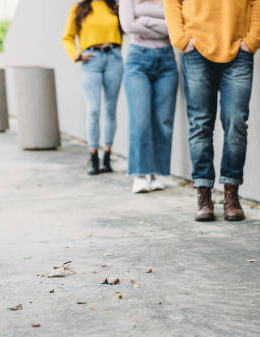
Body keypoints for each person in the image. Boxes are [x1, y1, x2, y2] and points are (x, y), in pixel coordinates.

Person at [163, 0, 260, 221]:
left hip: (238, 51)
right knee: (200, 124)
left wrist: (252, 40)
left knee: (236, 122)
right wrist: (182, 40)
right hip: (196, 51)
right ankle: (203, 194)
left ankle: (231, 193)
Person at [120, 0, 178, 193]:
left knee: (163, 120)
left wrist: (144, 20)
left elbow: (177, 26)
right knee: (140, 120)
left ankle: (155, 173)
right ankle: (140, 175)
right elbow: (128, 25)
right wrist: (164, 27)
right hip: (138, 61)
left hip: (167, 61)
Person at [63, 0, 124, 175]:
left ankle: (107, 156)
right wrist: (76, 55)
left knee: (110, 108)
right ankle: (93, 156)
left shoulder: (113, 7)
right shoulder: (79, 8)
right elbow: (67, 37)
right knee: (93, 110)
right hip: (91, 60)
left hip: (114, 57)